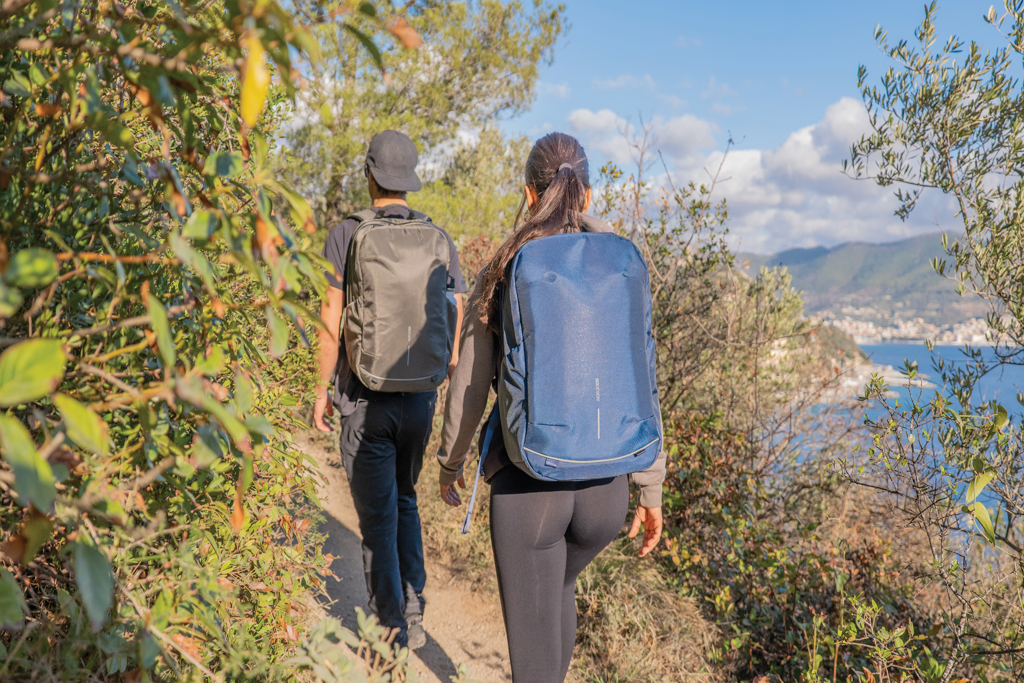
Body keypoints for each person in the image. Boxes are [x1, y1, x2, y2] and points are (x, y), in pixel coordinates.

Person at [437, 132, 665, 683]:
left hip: (530, 486)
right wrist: (650, 486)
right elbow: (642, 379)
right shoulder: (626, 264)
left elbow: (470, 383)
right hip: (606, 493)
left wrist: (451, 461)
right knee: (559, 593)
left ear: (528, 191)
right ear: (587, 195)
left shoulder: (508, 266)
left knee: (533, 663)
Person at [314, 129, 467, 650]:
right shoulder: (439, 238)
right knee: (404, 498)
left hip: (365, 397)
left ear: (371, 173)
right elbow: (456, 314)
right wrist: (439, 374)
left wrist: (320, 389)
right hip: (420, 399)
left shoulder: (346, 234)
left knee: (376, 515)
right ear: (410, 179)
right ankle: (412, 598)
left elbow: (329, 317)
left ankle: (391, 629)